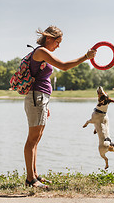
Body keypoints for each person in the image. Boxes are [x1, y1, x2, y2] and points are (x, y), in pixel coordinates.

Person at [24, 25, 96, 188]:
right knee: (32, 139)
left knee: (37, 138)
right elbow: (63, 66)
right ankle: (30, 180)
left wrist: (45, 104)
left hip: (40, 99)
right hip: (36, 98)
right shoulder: (41, 51)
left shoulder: (43, 52)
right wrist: (86, 56)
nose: (58, 46)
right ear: (49, 39)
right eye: (58, 42)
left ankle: (34, 175)